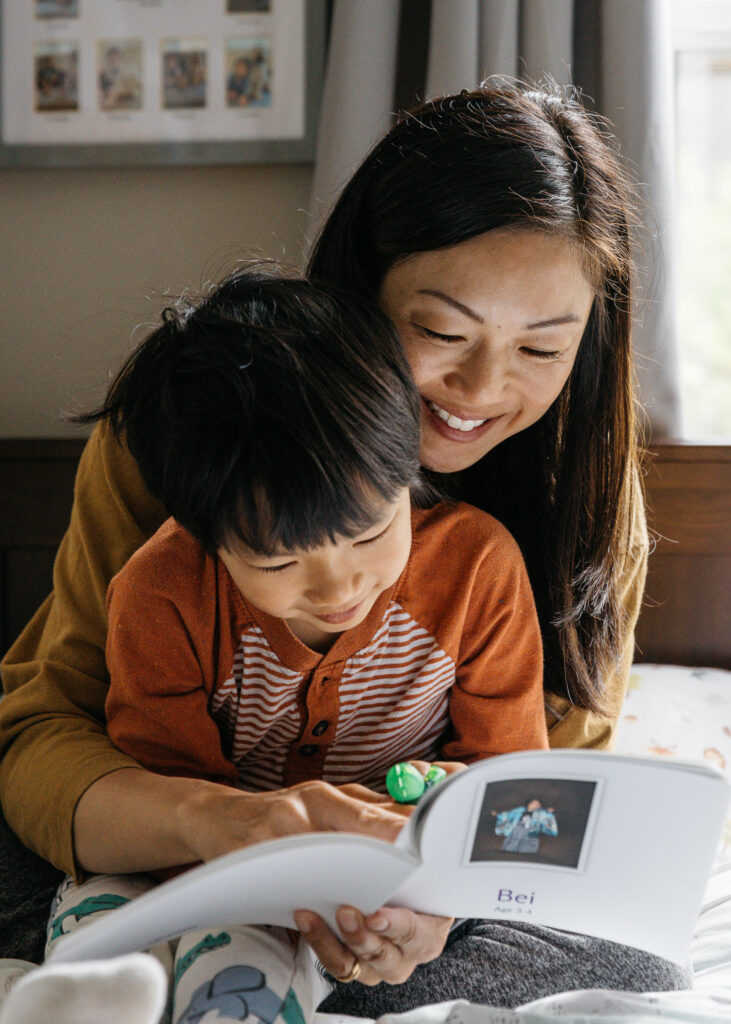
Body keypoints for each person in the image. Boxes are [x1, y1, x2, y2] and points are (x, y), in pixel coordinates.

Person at [0, 80, 691, 1009]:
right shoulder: (193, 443)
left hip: (412, 887)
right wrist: (231, 830)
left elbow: (535, 794)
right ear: (357, 290)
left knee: (636, 970)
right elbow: (47, 737)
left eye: (539, 349)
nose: (480, 388)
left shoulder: (573, 510)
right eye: (440, 329)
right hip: (175, 835)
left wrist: (434, 904)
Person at [34, 266, 546, 1023]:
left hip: (382, 870)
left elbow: (510, 782)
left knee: (263, 958)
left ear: (408, 466)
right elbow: (163, 784)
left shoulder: (477, 569)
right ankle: (94, 993)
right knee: (107, 903)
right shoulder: (161, 590)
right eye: (277, 563)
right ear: (206, 537)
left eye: (372, 532)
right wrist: (251, 870)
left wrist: (427, 878)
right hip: (199, 846)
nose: (338, 588)